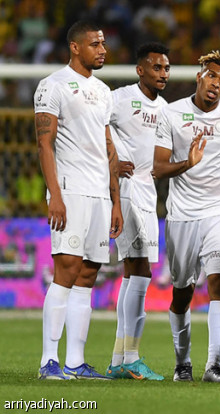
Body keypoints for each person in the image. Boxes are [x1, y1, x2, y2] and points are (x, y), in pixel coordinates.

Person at [153, 50, 220, 383]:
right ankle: (182, 362)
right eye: (212, 75)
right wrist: (188, 162)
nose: (216, 83)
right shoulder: (171, 114)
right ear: (199, 76)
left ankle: (214, 366)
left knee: (219, 283)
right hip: (182, 215)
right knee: (182, 293)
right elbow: (158, 168)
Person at [35, 20, 122, 380]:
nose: (102, 50)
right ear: (75, 47)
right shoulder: (53, 85)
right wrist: (55, 195)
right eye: (95, 44)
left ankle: (75, 362)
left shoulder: (103, 91)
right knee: (67, 268)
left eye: (103, 44)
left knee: (88, 274)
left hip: (100, 193)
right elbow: (44, 143)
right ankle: (48, 361)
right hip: (70, 190)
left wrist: (116, 201)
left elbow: (107, 145)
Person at [106, 42, 170, 381]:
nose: (163, 73)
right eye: (156, 67)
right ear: (140, 70)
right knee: (140, 270)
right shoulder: (120, 98)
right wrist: (112, 161)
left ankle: (119, 360)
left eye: (166, 68)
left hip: (147, 191)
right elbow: (94, 126)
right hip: (127, 190)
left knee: (133, 273)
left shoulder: (166, 109)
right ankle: (129, 358)